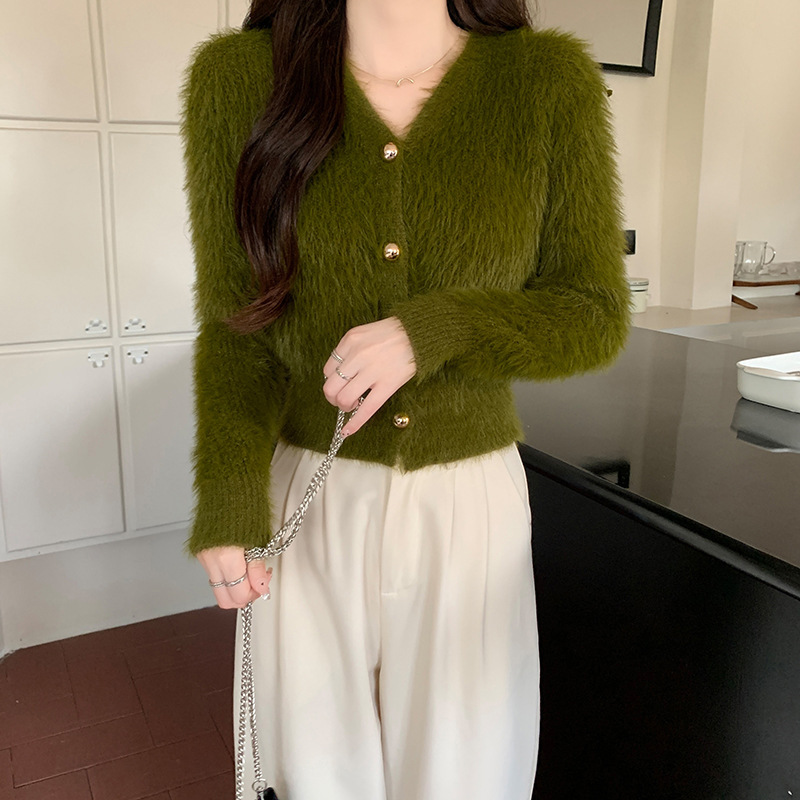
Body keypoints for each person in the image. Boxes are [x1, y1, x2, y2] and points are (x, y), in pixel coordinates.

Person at [179, 0, 631, 796]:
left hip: (468, 507)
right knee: (317, 769)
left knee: (465, 768)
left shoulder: (547, 81)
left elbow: (592, 314)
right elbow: (236, 328)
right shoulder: (238, 80)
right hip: (310, 503)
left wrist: (437, 329)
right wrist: (228, 499)